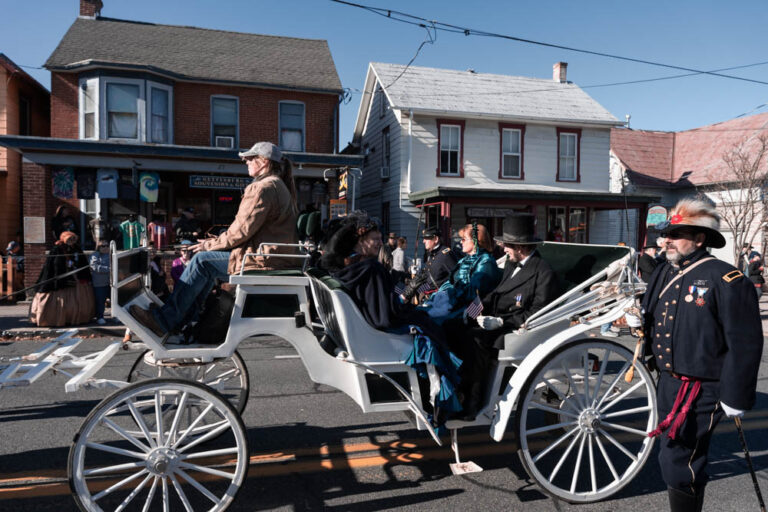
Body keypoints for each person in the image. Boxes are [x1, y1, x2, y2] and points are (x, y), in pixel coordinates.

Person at [634, 198, 762, 512]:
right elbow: (651, 312)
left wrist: (736, 395)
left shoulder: (726, 279)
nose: (666, 240)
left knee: (681, 462)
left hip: (701, 388)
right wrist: (639, 319)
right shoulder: (665, 271)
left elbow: (744, 342)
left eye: (676, 234)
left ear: (699, 238)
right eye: (667, 233)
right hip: (668, 381)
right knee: (672, 457)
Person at [130, 142, 298, 337]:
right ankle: (179, 320)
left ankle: (165, 320)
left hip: (265, 261)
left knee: (202, 261)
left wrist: (207, 245)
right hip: (273, 257)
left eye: (250, 158)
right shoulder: (279, 186)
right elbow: (247, 230)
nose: (246, 162)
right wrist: (214, 243)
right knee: (207, 263)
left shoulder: (263, 188)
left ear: (264, 162)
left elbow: (240, 232)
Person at [443, 213, 559, 418]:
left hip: (517, 329)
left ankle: (473, 402)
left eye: (507, 245)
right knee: (451, 328)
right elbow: (492, 296)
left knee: (475, 339)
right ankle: (454, 391)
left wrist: (501, 321)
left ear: (520, 248)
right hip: (494, 322)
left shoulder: (543, 272)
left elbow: (537, 312)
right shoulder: (512, 264)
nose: (503, 249)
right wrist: (468, 314)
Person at [420, 223, 501, 324]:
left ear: (476, 241)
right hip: (451, 303)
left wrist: (466, 317)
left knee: (436, 323)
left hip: (467, 312)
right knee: (419, 315)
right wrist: (438, 297)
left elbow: (477, 294)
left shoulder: (485, 262)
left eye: (464, 239)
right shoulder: (463, 260)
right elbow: (450, 281)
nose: (460, 242)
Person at [29, 231, 95, 327]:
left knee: (77, 300)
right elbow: (54, 265)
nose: (71, 241)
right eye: (69, 239)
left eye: (73, 239)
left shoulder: (76, 248)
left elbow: (82, 262)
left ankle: (77, 317)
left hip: (76, 277)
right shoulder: (57, 249)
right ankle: (54, 318)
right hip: (60, 279)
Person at [403, 226, 457, 302]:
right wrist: (410, 291)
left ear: (436, 239)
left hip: (441, 299)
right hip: (429, 297)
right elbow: (427, 277)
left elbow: (457, 278)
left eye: (426, 238)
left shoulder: (445, 254)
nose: (423, 241)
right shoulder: (432, 254)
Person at [90, 240, 111, 325]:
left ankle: (116, 316)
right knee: (100, 301)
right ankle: (100, 317)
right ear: (98, 247)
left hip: (111, 282)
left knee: (114, 300)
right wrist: (109, 269)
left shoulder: (111, 255)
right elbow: (94, 267)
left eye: (107, 245)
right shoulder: (95, 255)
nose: (105, 247)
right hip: (99, 283)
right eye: (103, 246)